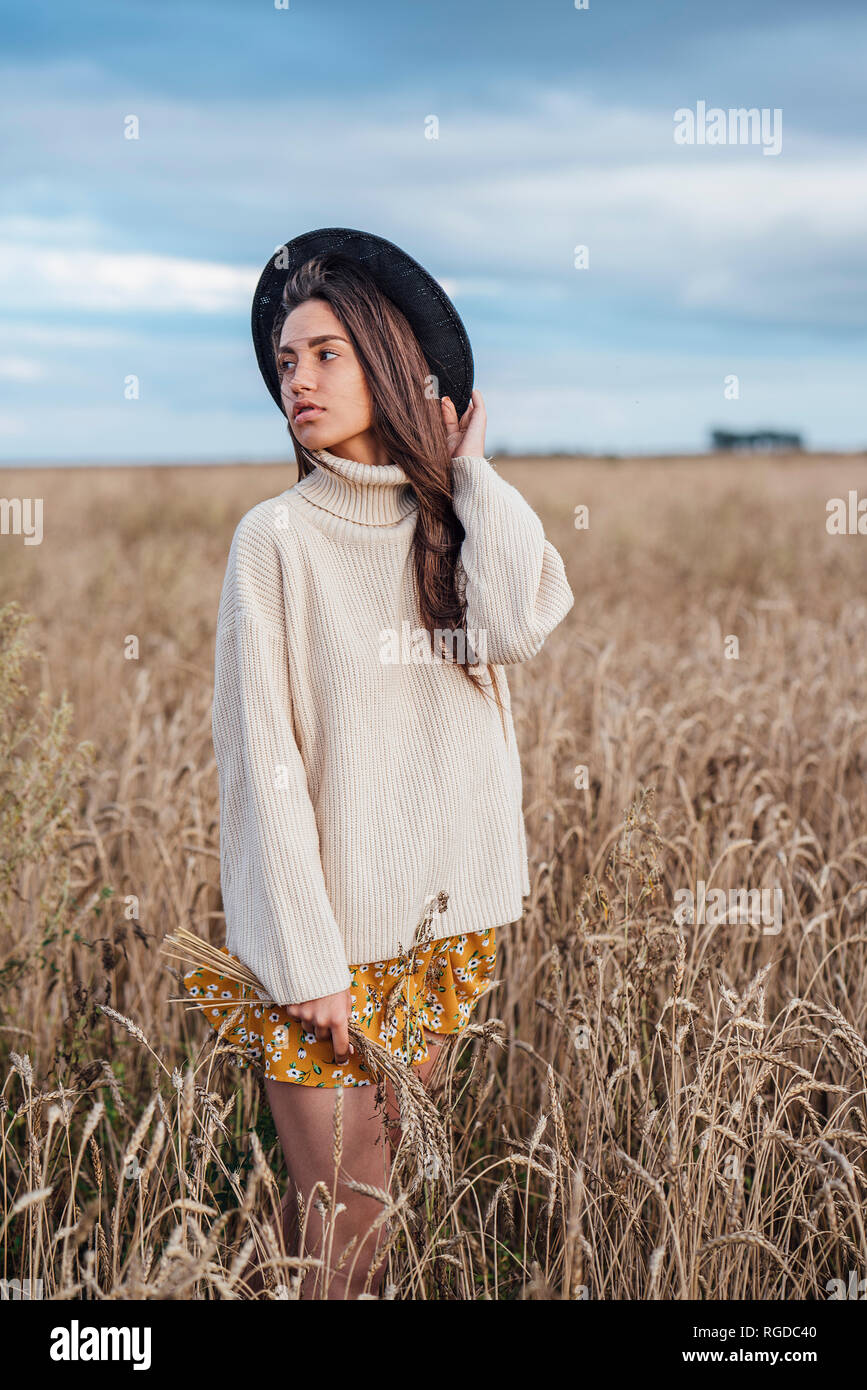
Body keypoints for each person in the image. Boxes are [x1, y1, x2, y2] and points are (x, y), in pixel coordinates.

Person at [183, 231, 574, 1298]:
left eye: (324, 355)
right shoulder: (275, 540)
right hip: (328, 953)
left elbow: (516, 624)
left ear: (389, 364)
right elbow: (260, 761)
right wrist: (304, 955)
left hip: (444, 932)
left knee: (355, 1210)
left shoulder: (447, 520)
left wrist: (471, 470)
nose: (295, 381)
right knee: (348, 1242)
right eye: (283, 362)